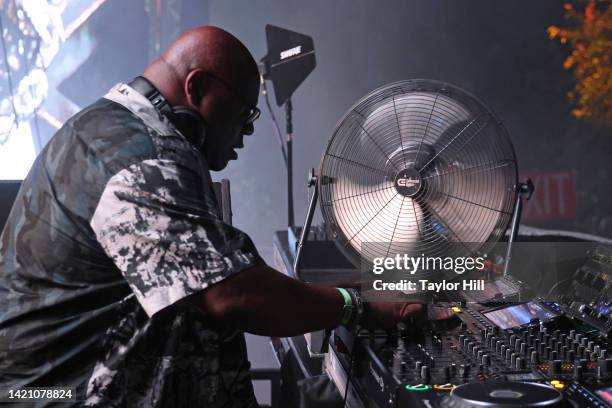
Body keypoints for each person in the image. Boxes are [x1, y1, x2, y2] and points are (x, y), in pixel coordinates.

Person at [0, 26, 433, 407]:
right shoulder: (141, 160)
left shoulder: (109, 127)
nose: (244, 137)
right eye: (244, 117)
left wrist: (345, 289)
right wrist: (355, 306)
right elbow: (234, 296)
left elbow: (220, 277)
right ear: (199, 88)